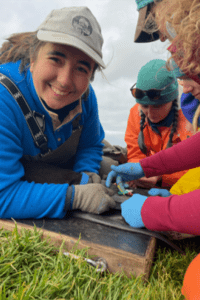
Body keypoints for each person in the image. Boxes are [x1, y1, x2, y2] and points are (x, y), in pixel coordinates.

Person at [0, 6, 117, 219]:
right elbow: (2, 195)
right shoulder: (3, 99)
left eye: (81, 68)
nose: (64, 81)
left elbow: (90, 144)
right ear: (33, 59)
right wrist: (74, 197)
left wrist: (86, 173)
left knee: (108, 166)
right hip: (14, 175)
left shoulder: (86, 98)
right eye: (56, 59)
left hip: (50, 171)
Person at [125, 58, 191, 189]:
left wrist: (161, 176)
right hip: (148, 180)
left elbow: (194, 168)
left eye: (157, 106)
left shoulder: (190, 117)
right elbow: (135, 154)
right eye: (144, 106)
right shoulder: (135, 113)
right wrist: (137, 173)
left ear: (172, 99)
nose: (149, 113)